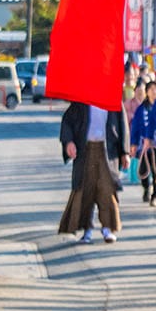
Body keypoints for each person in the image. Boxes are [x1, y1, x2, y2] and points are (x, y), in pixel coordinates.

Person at [57, 100, 126, 243]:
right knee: (85, 191)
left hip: (107, 151)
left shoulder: (112, 97)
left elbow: (123, 124)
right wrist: (69, 142)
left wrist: (124, 152)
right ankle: (86, 230)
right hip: (85, 150)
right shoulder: (81, 99)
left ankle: (108, 228)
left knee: (107, 191)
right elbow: (67, 121)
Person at [131, 81, 156, 205]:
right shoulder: (141, 109)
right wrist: (133, 143)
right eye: (151, 89)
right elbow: (135, 126)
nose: (154, 91)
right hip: (143, 144)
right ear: (147, 92)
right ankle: (146, 188)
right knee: (143, 169)